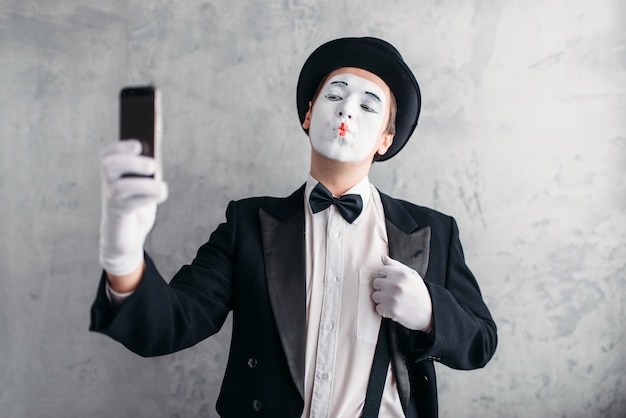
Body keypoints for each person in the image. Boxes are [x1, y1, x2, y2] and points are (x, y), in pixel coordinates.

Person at [90, 37, 497, 418]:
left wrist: (429, 313)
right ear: (308, 115)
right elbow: (170, 325)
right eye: (334, 95)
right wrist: (122, 250)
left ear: (385, 140)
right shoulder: (247, 224)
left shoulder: (433, 230)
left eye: (368, 106)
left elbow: (480, 342)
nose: (346, 109)